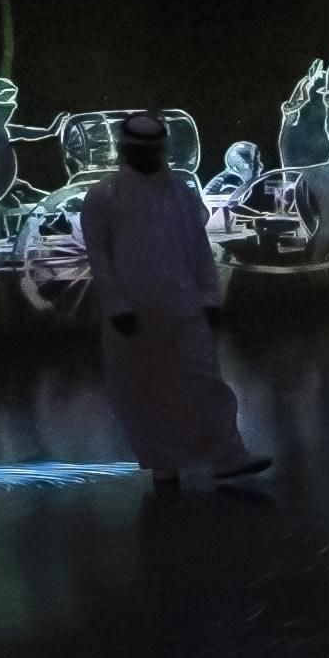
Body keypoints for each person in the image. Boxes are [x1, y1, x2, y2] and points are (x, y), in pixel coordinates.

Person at [82, 111, 270, 489]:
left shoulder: (181, 193)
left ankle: (228, 456)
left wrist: (209, 296)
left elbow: (199, 248)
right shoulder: (103, 197)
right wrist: (117, 306)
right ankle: (164, 464)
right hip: (134, 314)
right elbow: (99, 258)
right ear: (127, 150)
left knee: (205, 382)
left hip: (185, 307)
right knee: (145, 388)